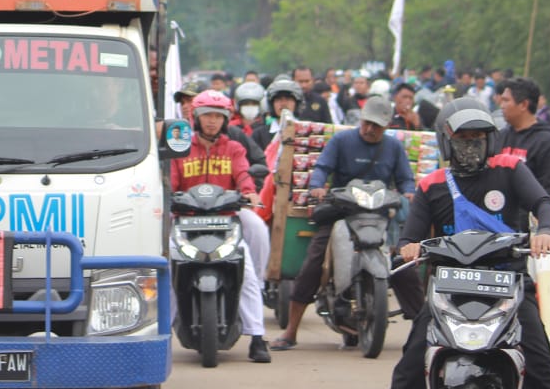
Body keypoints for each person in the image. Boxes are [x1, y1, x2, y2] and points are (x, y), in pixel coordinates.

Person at [374, 98, 550, 389]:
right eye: (462, 136)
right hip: (448, 291)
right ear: (446, 140)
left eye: (478, 137)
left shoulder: (511, 170)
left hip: (508, 287)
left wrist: (545, 230)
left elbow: (543, 204)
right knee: (409, 371)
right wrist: (408, 246)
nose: (471, 144)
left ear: (490, 140)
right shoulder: (432, 185)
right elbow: (410, 235)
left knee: (542, 371)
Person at [271, 95, 421, 350]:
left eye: (376, 126)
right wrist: (317, 187)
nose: (370, 129)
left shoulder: (393, 148)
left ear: (386, 127)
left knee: (403, 264)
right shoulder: (342, 140)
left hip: (381, 217)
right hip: (343, 212)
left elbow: (406, 178)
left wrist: (409, 192)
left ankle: (423, 330)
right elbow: (322, 168)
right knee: (313, 262)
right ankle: (291, 330)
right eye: (367, 123)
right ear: (360, 120)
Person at [169, 90, 271, 362]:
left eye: (217, 116)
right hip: (185, 218)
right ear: (196, 118)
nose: (212, 121)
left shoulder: (234, 148)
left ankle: (257, 337)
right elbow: (171, 181)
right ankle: (160, 336)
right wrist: (167, 196)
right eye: (206, 116)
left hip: (227, 217)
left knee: (249, 266)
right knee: (167, 271)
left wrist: (249, 192)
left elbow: (243, 175)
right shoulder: (181, 148)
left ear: (225, 119)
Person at [492, 77, 550, 215]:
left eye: (506, 100)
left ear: (524, 105)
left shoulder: (547, 143)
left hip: (529, 225)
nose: (501, 106)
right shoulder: (499, 137)